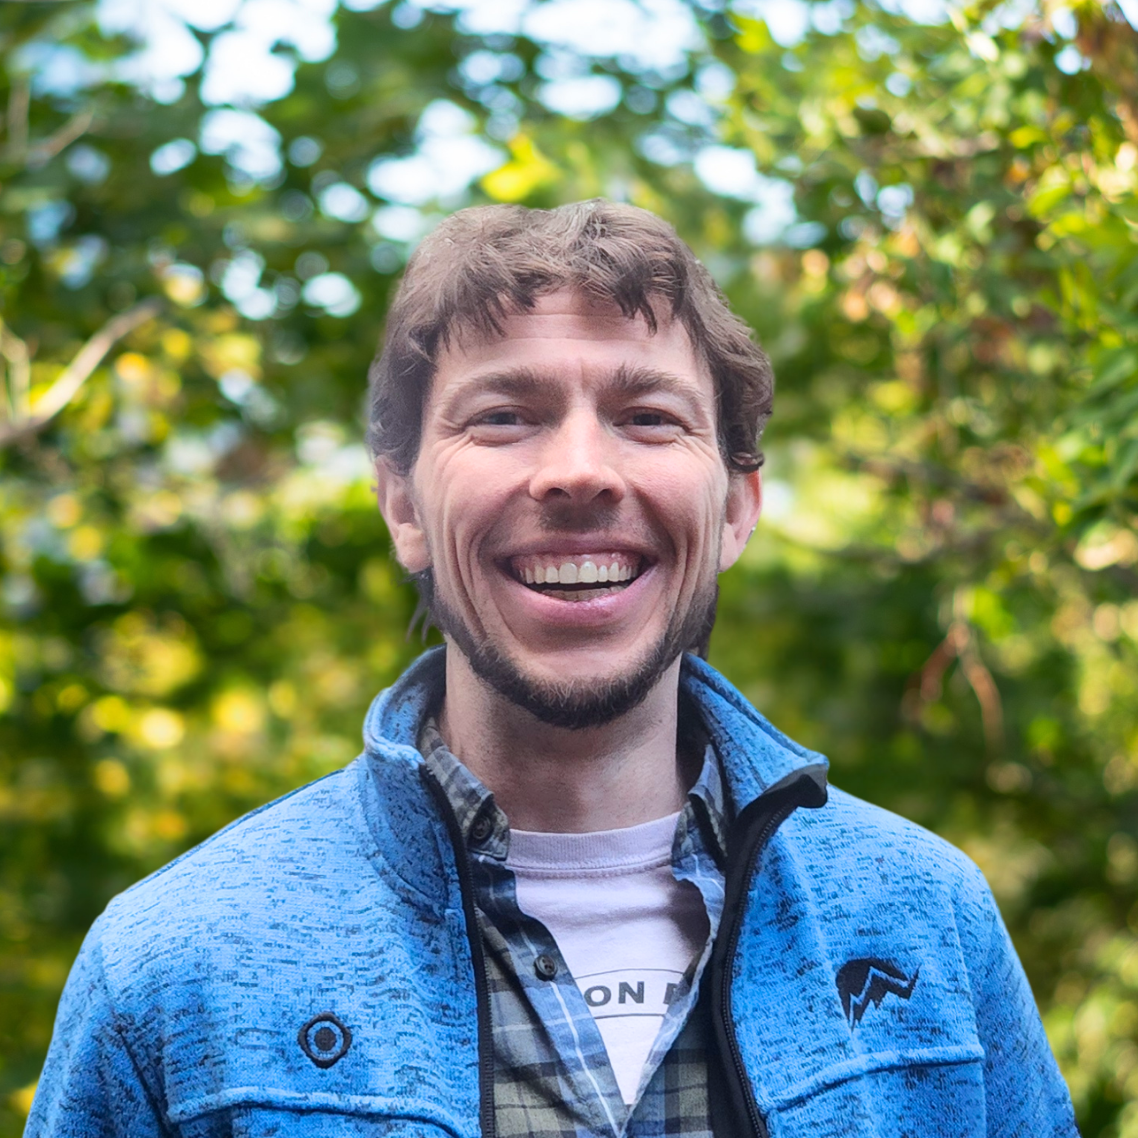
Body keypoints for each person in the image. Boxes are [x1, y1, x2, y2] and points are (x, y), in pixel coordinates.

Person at [28, 200, 1078, 1138]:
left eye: (648, 417)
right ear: (402, 504)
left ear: (736, 508)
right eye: (504, 417)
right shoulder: (179, 966)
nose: (578, 471)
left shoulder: (924, 919)